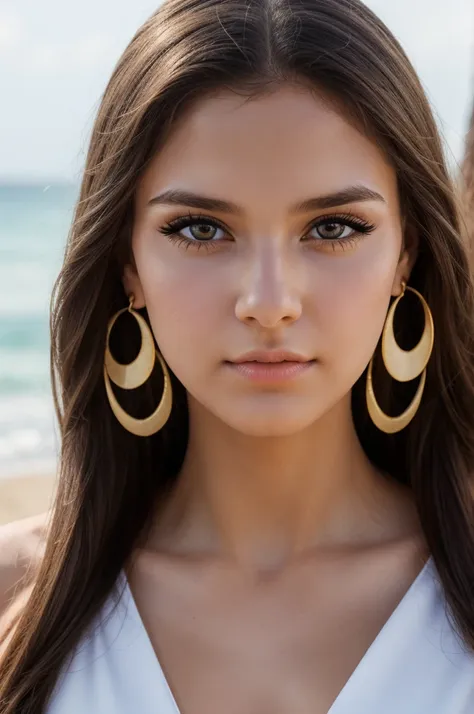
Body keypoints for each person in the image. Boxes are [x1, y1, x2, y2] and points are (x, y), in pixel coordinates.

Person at [1, 0, 474, 711]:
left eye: (334, 226)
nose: (268, 300)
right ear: (127, 260)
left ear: (406, 253)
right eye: (199, 229)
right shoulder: (17, 601)